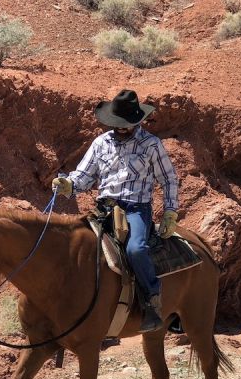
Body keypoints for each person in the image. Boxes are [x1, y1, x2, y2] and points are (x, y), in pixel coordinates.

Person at [52, 89, 180, 332]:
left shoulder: (151, 145)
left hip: (136, 210)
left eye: (126, 124)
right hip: (103, 210)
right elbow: (83, 176)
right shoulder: (100, 143)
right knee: (76, 248)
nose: (121, 128)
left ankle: (152, 301)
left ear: (138, 120)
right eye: (117, 123)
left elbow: (169, 179)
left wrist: (170, 211)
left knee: (136, 249)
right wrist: (68, 183)